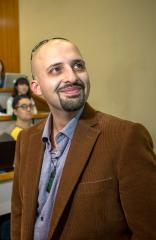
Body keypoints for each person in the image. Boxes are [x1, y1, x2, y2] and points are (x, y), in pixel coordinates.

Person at [11, 37, 156, 239]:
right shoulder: (26, 140)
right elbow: (19, 213)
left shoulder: (126, 138)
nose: (72, 76)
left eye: (78, 65)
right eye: (56, 69)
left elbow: (149, 231)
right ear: (36, 88)